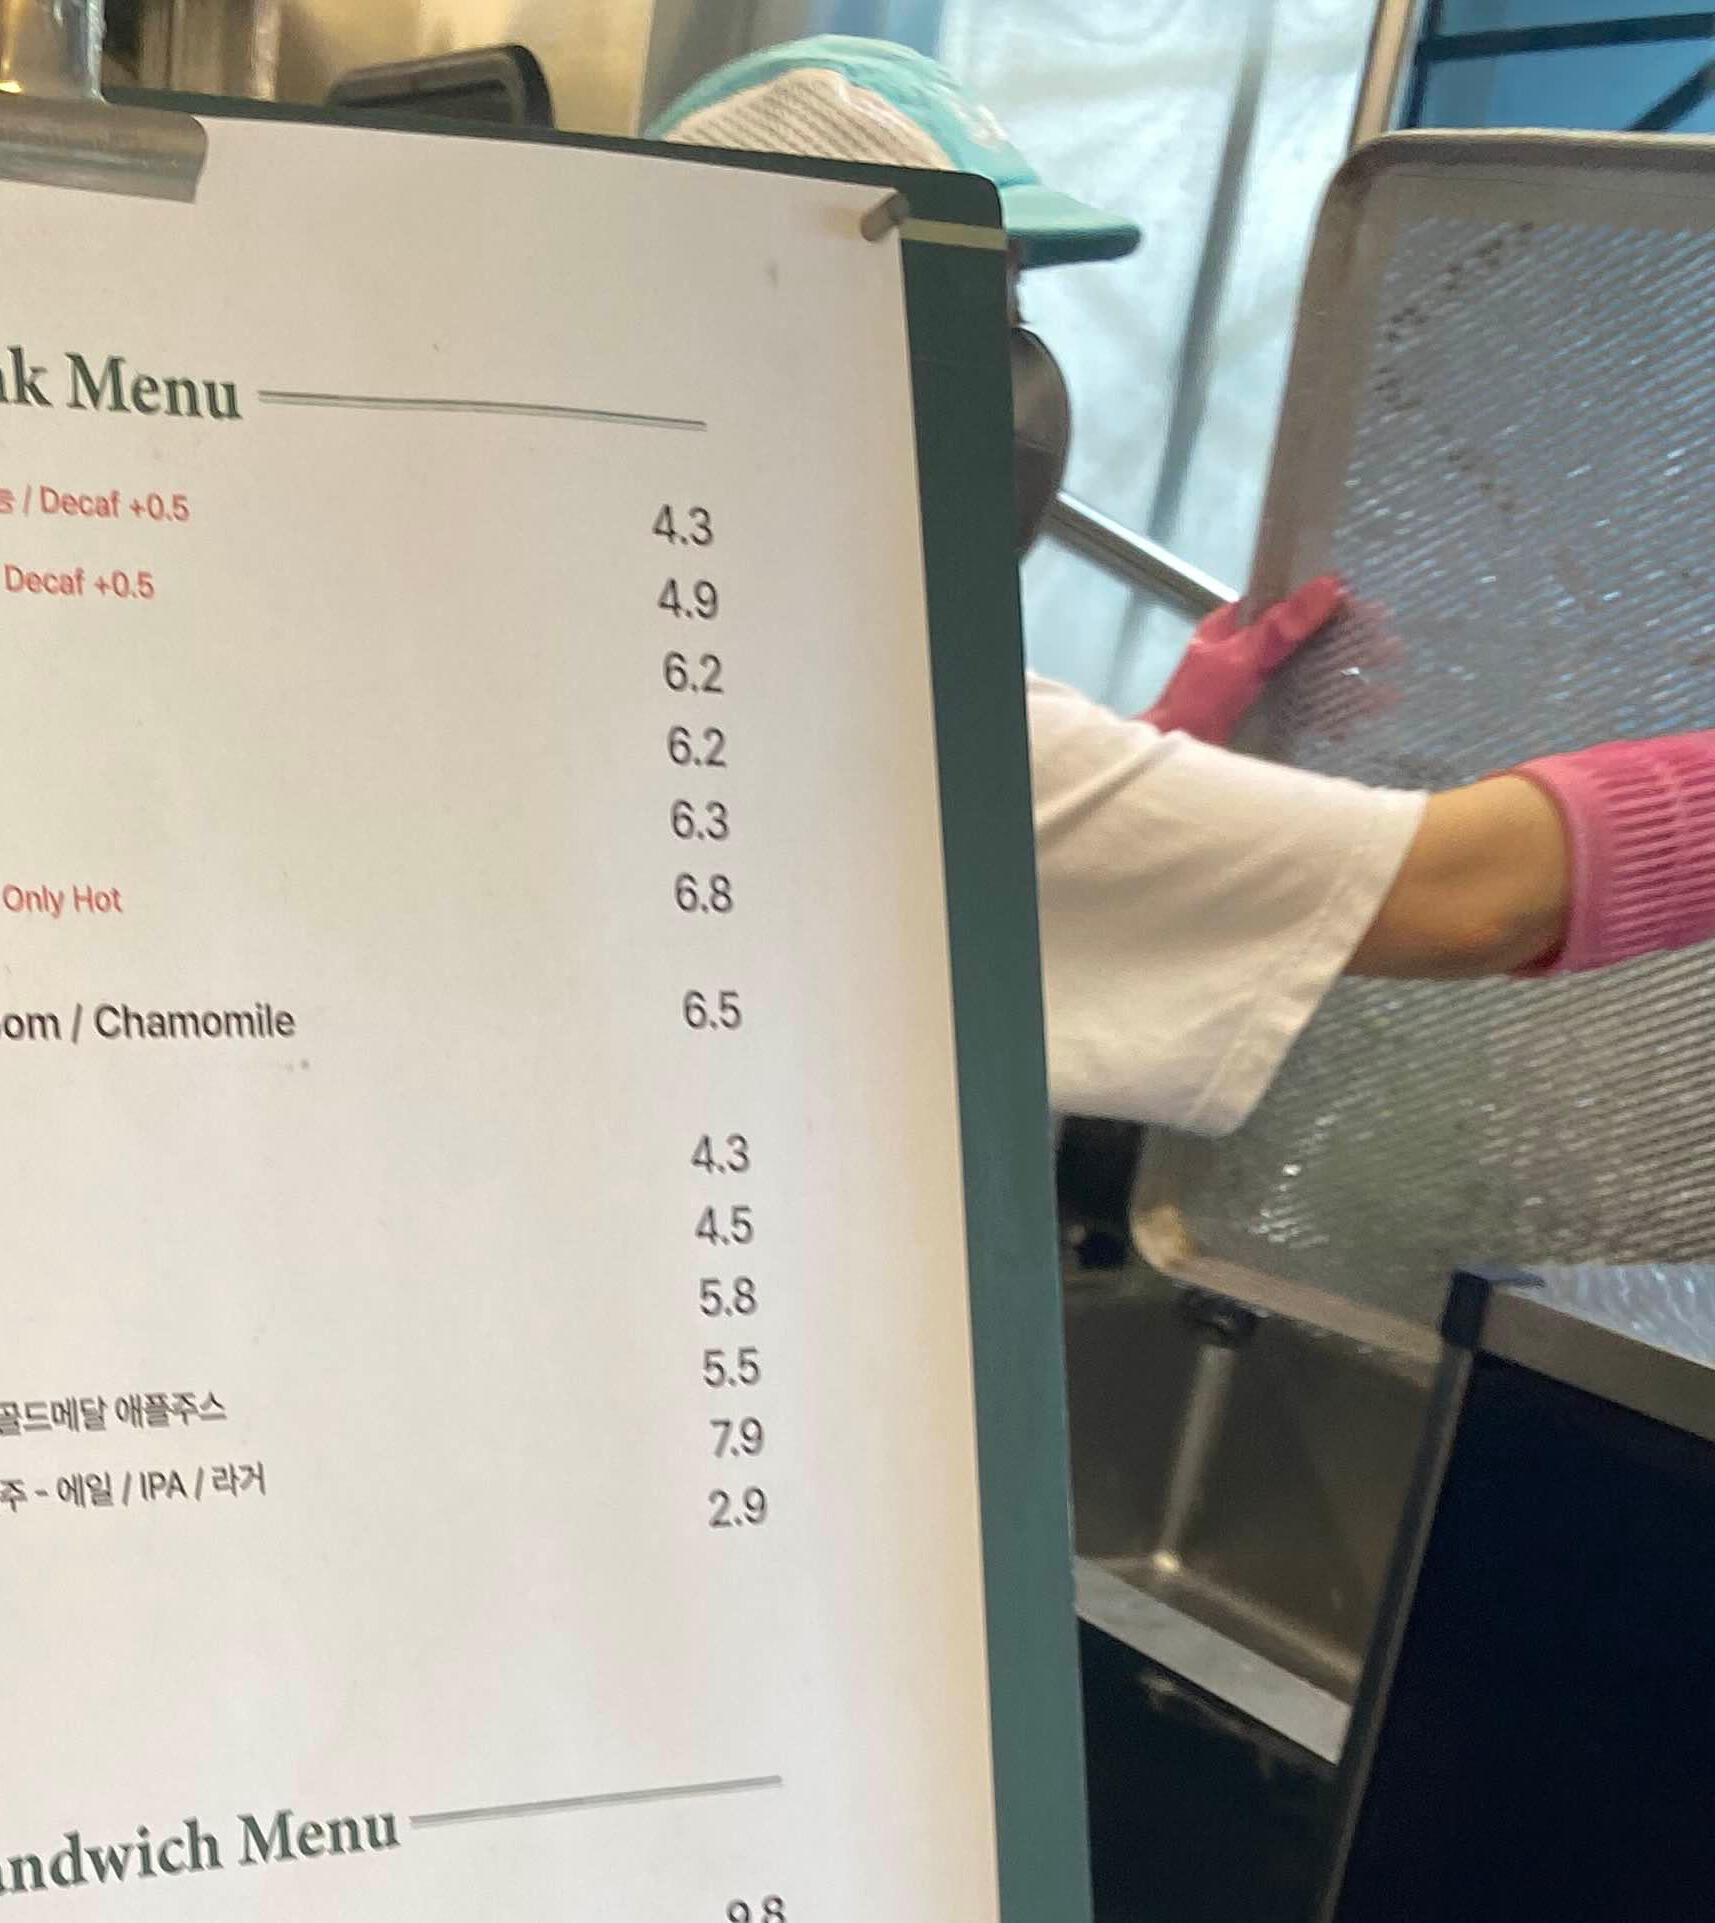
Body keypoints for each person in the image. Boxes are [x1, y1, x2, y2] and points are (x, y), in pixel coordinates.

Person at [650, 40, 1715, 1134]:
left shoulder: (663, 657)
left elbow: (999, 875)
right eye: (966, 312)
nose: (1014, 387)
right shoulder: (885, 725)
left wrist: (1169, 739)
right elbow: (1470, 896)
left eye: (1008, 312)